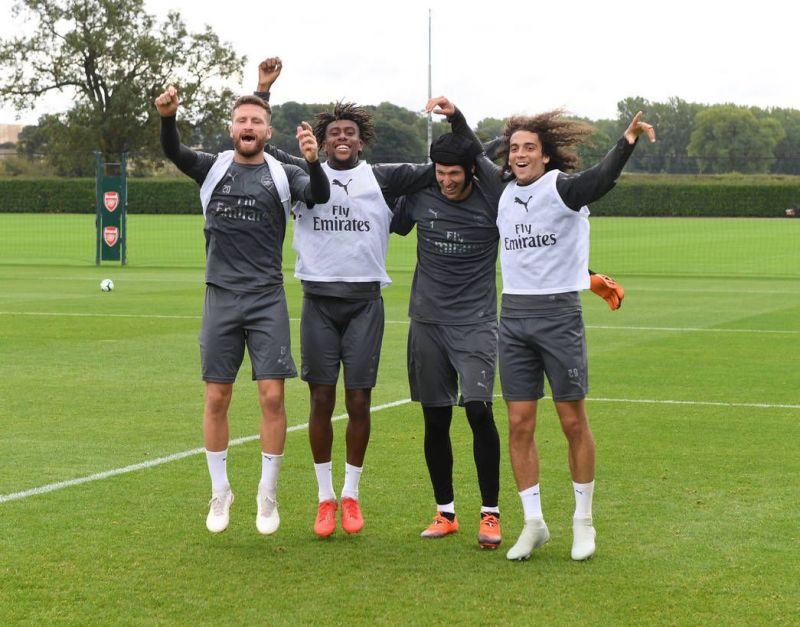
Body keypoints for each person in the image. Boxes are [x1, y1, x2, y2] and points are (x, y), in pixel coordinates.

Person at [435, 96, 655, 561]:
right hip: (512, 318)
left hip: (558, 317)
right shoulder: (501, 188)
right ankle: (533, 524)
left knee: (573, 421)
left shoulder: (563, 188)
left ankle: (583, 523)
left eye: (529, 147)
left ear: (545, 154)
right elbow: (474, 150)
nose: (519, 153)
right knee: (519, 423)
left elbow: (601, 179)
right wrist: (455, 116)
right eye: (514, 146)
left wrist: (627, 141)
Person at [254, 58, 434, 537]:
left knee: (358, 401)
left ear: (361, 139)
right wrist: (264, 89)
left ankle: (352, 495)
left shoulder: (383, 176)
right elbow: (260, 141)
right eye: (334, 131)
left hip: (364, 305)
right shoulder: (300, 172)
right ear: (321, 138)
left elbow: (443, 169)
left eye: (350, 132)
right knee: (320, 400)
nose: (341, 138)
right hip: (318, 303)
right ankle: (325, 498)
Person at [154, 84, 330, 535]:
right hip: (220, 296)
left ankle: (267, 495)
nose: (248, 126)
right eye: (242, 120)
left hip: (266, 297)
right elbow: (174, 152)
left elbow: (321, 195)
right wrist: (168, 117)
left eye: (256, 121)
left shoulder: (282, 173)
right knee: (217, 396)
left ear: (268, 131)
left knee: (272, 396)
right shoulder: (212, 169)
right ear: (232, 128)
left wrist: (312, 159)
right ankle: (220, 492)